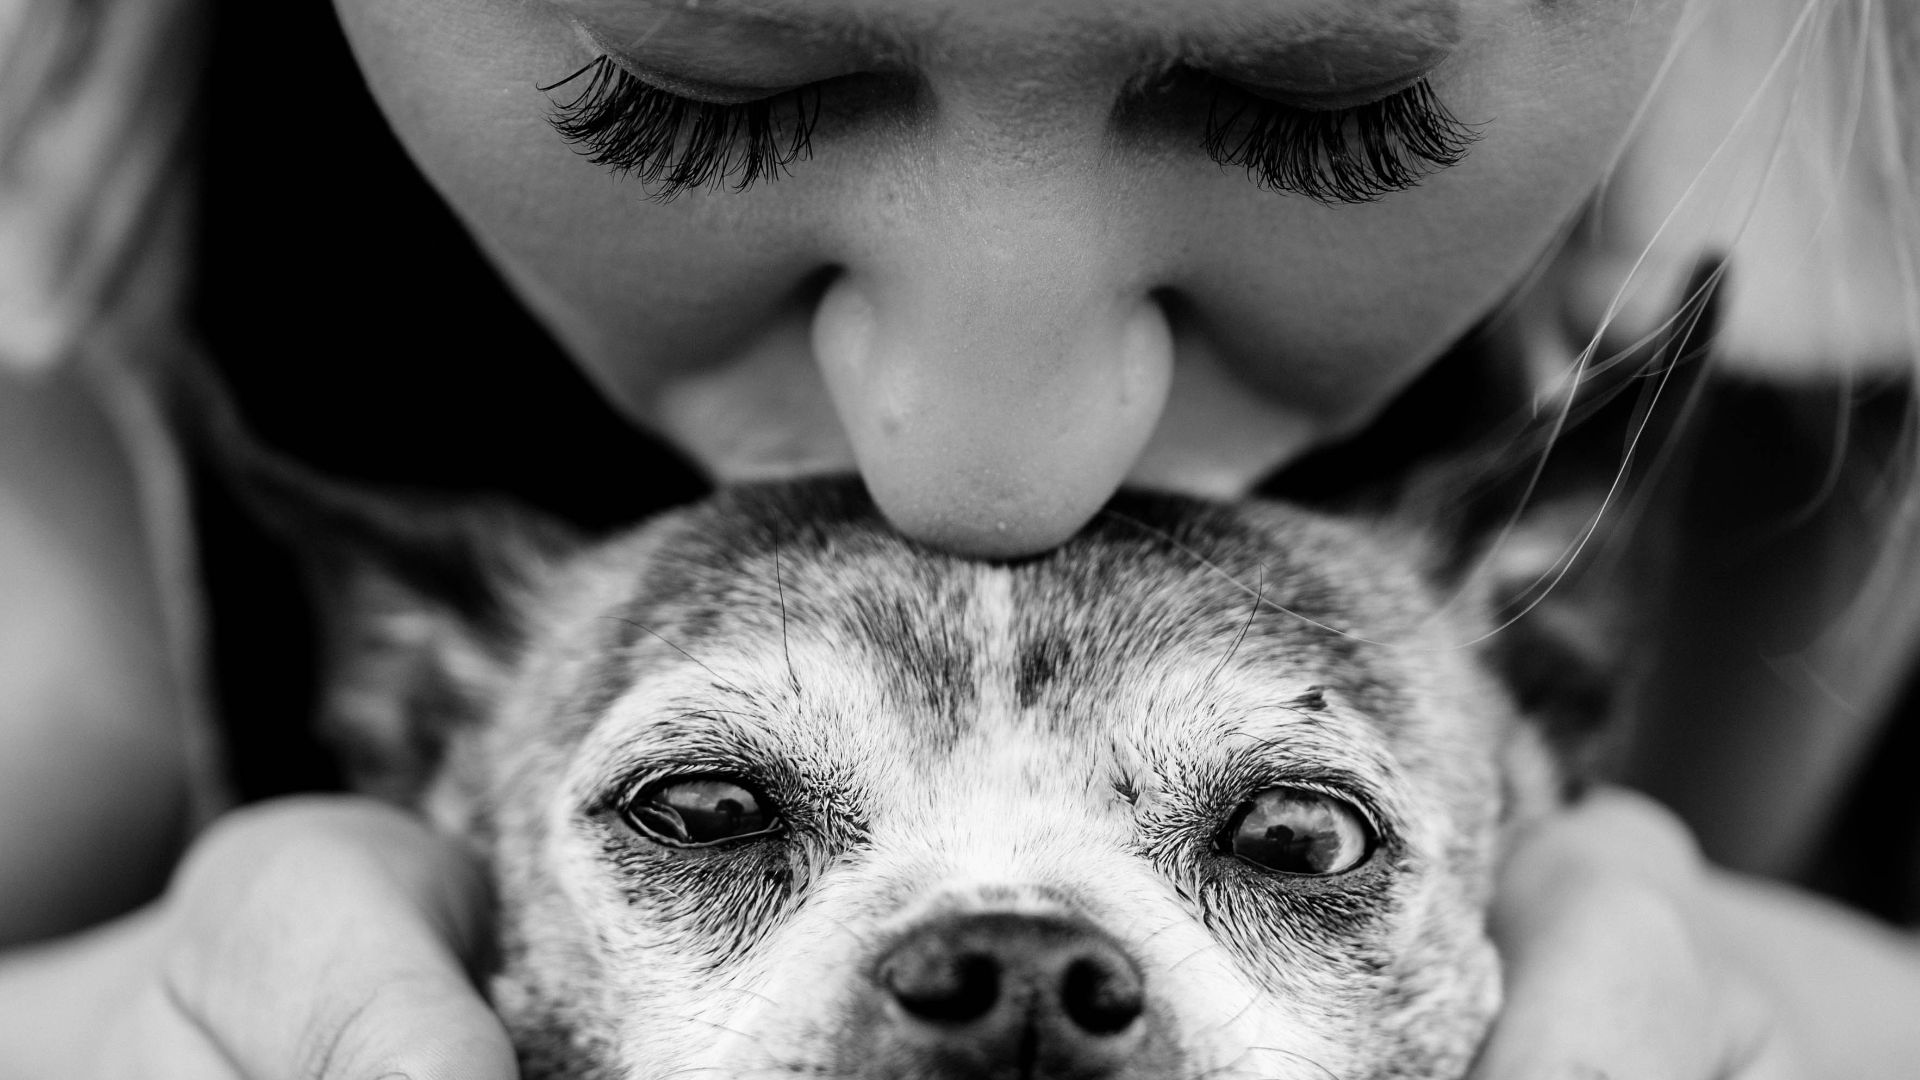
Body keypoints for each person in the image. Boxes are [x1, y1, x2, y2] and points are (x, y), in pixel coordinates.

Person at [1, 0, 1918, 1076]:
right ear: (413, 705)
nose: (993, 452)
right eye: (714, 814)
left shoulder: (1850, 202)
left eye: (1289, 837)